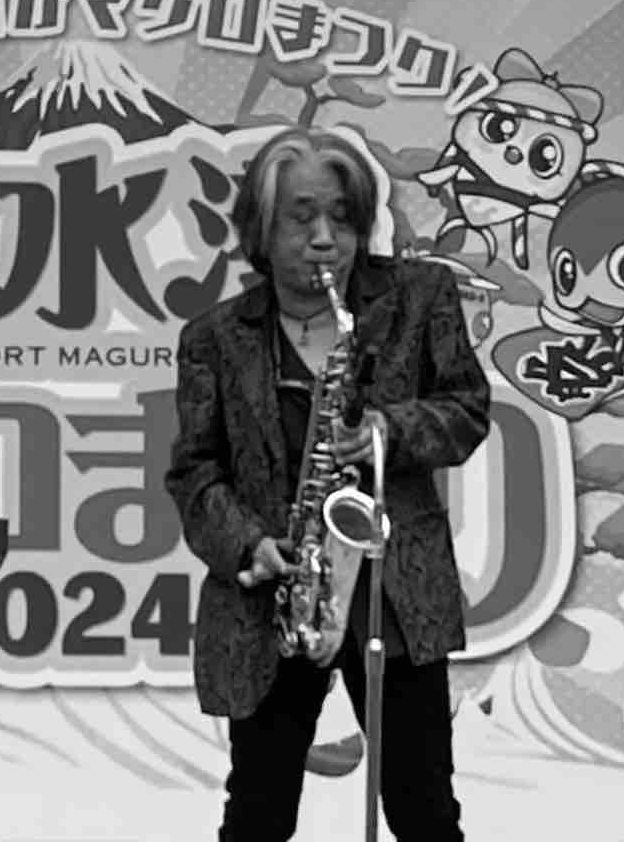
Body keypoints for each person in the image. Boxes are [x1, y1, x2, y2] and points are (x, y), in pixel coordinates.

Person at [164, 126, 491, 842]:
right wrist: (249, 545)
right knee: (257, 814)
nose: (324, 239)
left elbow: (467, 410)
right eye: (301, 218)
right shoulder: (214, 338)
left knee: (424, 809)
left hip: (393, 592)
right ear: (260, 229)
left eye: (342, 219)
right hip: (277, 598)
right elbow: (194, 471)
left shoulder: (420, 297)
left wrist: (385, 432)